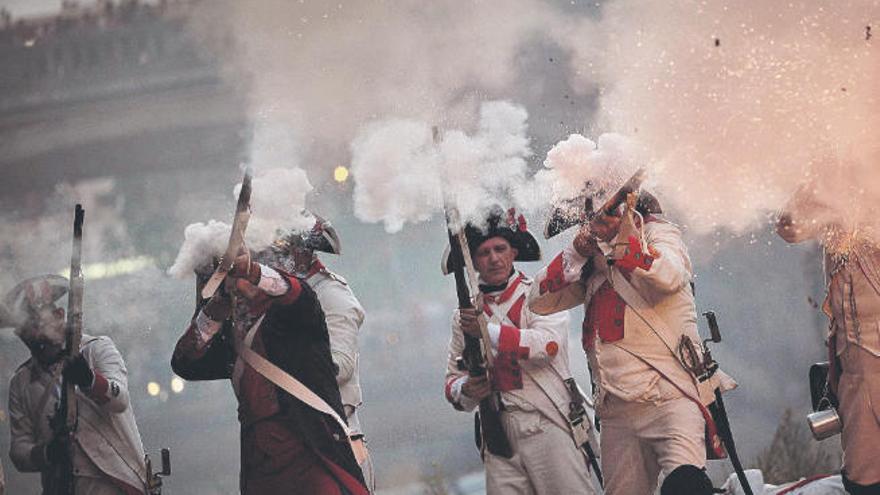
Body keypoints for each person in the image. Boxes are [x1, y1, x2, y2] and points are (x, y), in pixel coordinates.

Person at [531, 186, 729, 495]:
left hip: (670, 397)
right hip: (615, 411)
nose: (599, 221)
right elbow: (538, 300)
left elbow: (671, 276)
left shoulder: (658, 234)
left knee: (687, 487)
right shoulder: (589, 260)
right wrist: (575, 253)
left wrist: (622, 242)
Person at [171, 250, 369, 495]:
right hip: (260, 458)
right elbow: (185, 363)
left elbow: (296, 294)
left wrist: (252, 272)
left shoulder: (297, 312)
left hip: (310, 446)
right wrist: (213, 311)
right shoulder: (234, 332)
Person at [443, 207, 598, 495]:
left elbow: (546, 346)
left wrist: (485, 332)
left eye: (500, 248)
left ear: (514, 251)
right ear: (473, 261)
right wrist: (469, 387)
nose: (493, 258)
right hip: (498, 433)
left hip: (547, 420)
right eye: (484, 252)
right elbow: (452, 383)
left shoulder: (539, 293)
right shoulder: (462, 317)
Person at [777, 182, 880, 494]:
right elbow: (788, 227)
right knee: (864, 479)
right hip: (855, 368)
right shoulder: (829, 180)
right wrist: (819, 186)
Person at [3, 274, 148, 494]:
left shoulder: (96, 349)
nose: (32, 333)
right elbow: (19, 451)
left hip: (116, 484)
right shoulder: (21, 382)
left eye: (37, 322)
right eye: (26, 327)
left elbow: (120, 400)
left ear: (60, 314)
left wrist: (89, 380)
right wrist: (48, 453)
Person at [266, 214, 374, 491]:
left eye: (281, 251)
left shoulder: (331, 294)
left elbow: (341, 367)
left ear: (302, 253)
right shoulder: (274, 299)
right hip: (294, 437)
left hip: (335, 436)